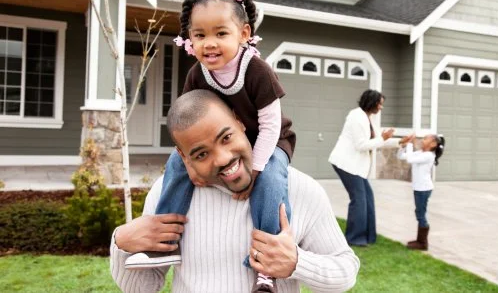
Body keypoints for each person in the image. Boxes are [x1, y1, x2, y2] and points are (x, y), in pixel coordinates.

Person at [125, 0, 297, 292]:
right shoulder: (197, 75)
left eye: (221, 33)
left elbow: (270, 127)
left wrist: (255, 168)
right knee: (175, 163)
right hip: (222, 142)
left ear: (244, 34)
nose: (210, 44)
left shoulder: (258, 71)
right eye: (200, 35)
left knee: (272, 181)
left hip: (270, 142)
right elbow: (186, 127)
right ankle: (163, 243)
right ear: (190, 39)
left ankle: (265, 267)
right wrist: (191, 166)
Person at [110, 90, 360, 293]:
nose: (222, 158)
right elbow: (141, 288)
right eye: (201, 154)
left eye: (226, 137)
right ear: (184, 159)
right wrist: (121, 244)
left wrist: (297, 262)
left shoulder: (300, 189)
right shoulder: (166, 195)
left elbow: (345, 272)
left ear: (240, 122)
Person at [328, 89, 409, 247]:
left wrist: (400, 142)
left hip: (356, 167)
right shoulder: (356, 117)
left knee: (367, 198)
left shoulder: (367, 118)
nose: (381, 107)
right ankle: (354, 238)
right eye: (380, 104)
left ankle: (368, 236)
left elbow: (379, 140)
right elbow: (361, 145)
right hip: (347, 164)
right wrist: (382, 138)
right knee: (359, 200)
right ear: (371, 102)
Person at [397, 133, 445, 250]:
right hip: (418, 188)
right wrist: (404, 146)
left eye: (425, 138)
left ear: (433, 144)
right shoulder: (421, 153)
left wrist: (409, 144)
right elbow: (401, 156)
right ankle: (420, 241)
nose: (422, 140)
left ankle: (423, 243)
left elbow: (409, 159)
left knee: (420, 214)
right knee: (419, 213)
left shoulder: (428, 155)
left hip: (423, 189)